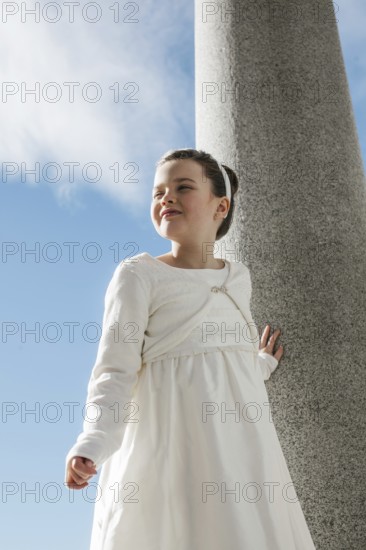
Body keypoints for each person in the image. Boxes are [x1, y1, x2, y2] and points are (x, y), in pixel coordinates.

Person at [64, 148, 316, 549]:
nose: (166, 197)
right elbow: (114, 369)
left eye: (183, 187)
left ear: (221, 206)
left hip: (240, 441)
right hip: (169, 438)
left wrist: (262, 363)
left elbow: (226, 357)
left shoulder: (239, 278)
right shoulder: (138, 275)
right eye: (158, 191)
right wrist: (93, 440)